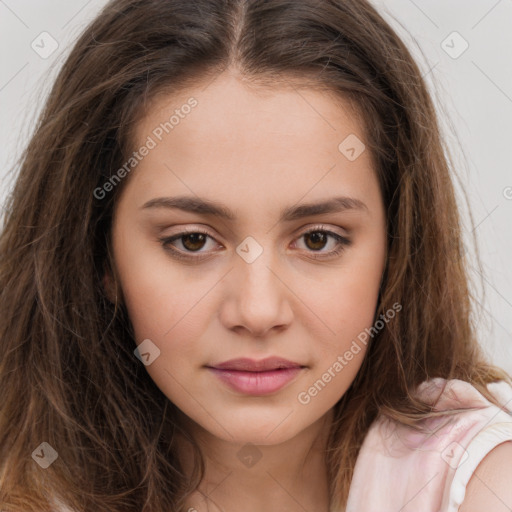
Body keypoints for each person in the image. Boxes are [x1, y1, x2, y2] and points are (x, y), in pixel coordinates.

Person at [0, 0, 511, 511]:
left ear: (395, 250)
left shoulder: (477, 484)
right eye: (192, 241)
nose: (258, 311)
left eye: (318, 239)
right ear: (100, 258)